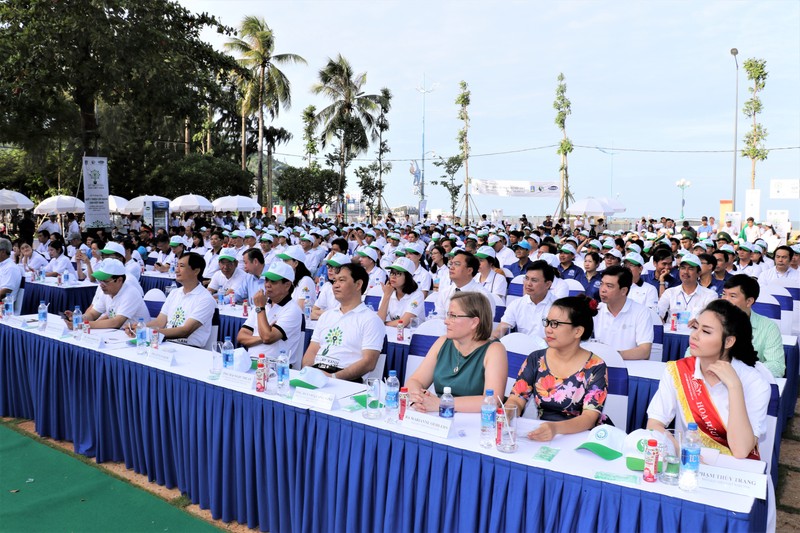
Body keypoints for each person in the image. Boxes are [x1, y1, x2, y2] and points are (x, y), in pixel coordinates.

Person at [646, 299, 770, 459]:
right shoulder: (678, 370)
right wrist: (684, 452)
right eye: (696, 327)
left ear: (729, 341)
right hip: (689, 463)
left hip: (735, 472)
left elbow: (741, 451)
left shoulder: (754, 382)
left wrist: (734, 387)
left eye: (706, 331)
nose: (695, 336)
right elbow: (654, 424)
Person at [504, 295, 609, 441]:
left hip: (581, 438)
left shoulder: (595, 366)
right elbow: (517, 399)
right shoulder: (536, 359)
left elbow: (589, 418)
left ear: (577, 331)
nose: (548, 329)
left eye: (555, 324)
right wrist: (508, 413)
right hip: (544, 433)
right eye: (547, 322)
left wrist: (555, 428)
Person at [405, 291, 508, 412]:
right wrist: (418, 396)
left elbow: (492, 401)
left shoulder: (494, 350)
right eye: (448, 315)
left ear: (474, 322)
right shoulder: (443, 342)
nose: (446, 321)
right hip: (438, 418)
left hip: (474, 424)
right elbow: (415, 381)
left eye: (453, 316)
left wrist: (442, 403)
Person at [302, 263, 385, 381]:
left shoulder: (371, 320)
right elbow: (312, 351)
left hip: (345, 380)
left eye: (342, 280)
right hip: (316, 375)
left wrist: (333, 377)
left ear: (358, 285)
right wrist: (308, 373)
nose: (335, 285)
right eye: (334, 281)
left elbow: (369, 362)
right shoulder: (326, 316)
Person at [127, 252, 215, 348]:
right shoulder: (174, 293)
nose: (176, 270)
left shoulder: (206, 299)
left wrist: (150, 332)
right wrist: (140, 328)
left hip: (190, 349)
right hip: (167, 344)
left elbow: (185, 331)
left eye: (181, 266)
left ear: (196, 271)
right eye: (177, 266)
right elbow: (159, 322)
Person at [236, 261, 304, 367]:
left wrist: (260, 308)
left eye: (273, 281)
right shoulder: (262, 305)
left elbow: (267, 338)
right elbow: (241, 337)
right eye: (267, 280)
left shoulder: (292, 310)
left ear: (287, 285)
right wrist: (260, 337)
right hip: (251, 362)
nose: (267, 284)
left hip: (277, 368)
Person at [717, 275, 785, 378]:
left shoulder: (768, 327)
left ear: (749, 301)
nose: (725, 300)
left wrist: (740, 371)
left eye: (732, 296)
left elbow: (777, 367)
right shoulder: (713, 321)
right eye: (724, 294)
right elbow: (691, 354)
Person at [64, 259, 148, 330]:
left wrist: (82, 325)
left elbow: (116, 322)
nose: (101, 284)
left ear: (119, 280)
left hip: (138, 337)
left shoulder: (131, 293)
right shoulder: (106, 292)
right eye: (100, 280)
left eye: (105, 281)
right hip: (119, 334)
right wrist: (78, 318)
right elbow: (93, 314)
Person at [593, 266, 654, 360]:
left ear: (623, 291)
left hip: (631, 367)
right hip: (600, 367)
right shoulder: (596, 309)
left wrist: (611, 356)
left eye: (609, 286)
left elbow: (644, 351)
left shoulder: (641, 312)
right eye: (602, 284)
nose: (602, 290)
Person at [492, 260, 555, 340]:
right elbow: (501, 329)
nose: (528, 284)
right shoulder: (516, 304)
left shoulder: (558, 307)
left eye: (534, 280)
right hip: (521, 349)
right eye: (526, 278)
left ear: (548, 284)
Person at [656, 253, 717, 322]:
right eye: (683, 268)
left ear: (699, 273)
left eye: (690, 269)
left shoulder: (710, 295)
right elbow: (659, 312)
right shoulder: (670, 292)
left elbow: (710, 320)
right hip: (671, 332)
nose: (685, 272)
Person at [435, 250, 496, 318]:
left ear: (469, 270)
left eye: (457, 264)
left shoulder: (483, 296)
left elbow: (484, 325)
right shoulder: (445, 292)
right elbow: (439, 319)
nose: (451, 267)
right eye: (451, 264)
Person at [377, 257, 425, 327]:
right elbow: (380, 319)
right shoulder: (388, 291)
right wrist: (386, 296)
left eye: (398, 273)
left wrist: (384, 323)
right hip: (394, 332)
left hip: (413, 334)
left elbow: (403, 323)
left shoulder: (417, 295)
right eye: (392, 273)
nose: (393, 277)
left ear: (407, 277)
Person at [277, 244, 316, 311]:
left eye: (286, 260)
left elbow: (301, 307)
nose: (283, 263)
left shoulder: (306, 281)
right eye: (283, 261)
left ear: (296, 263)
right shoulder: (290, 280)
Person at [0, 238, 22, 304]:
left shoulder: (10, 268)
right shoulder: (2, 265)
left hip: (4, 306)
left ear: (3, 252)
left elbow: (5, 292)